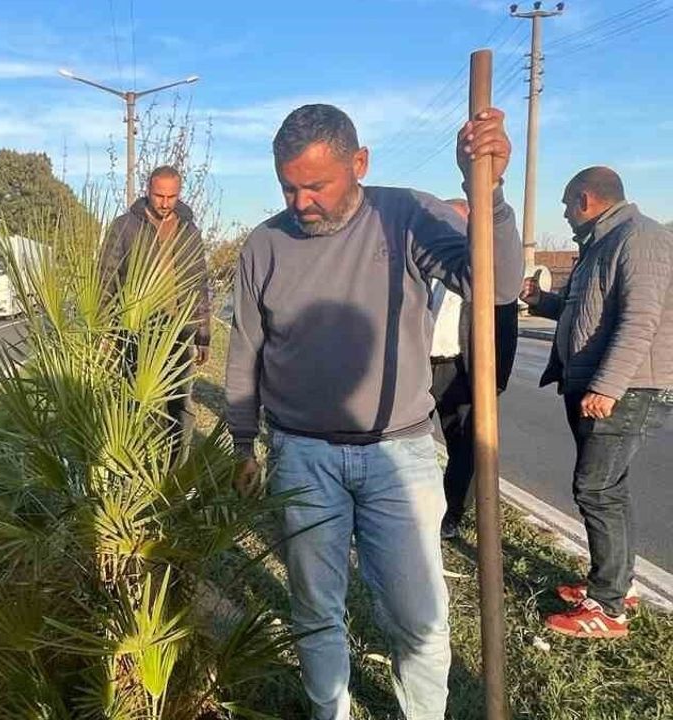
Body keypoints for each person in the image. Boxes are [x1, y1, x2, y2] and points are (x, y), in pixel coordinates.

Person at [226, 104, 521, 719]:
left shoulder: (404, 215)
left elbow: (493, 286)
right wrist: (243, 442)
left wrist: (485, 190)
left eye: (315, 185)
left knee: (420, 617)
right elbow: (246, 346)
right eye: (288, 186)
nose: (300, 201)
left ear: (358, 163)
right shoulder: (264, 244)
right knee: (315, 610)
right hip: (301, 455)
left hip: (399, 454)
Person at [521, 166, 673, 638]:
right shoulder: (601, 244)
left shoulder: (639, 238)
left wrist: (607, 386)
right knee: (610, 489)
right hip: (598, 385)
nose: (564, 215)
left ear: (585, 198)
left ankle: (607, 609)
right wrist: (541, 299)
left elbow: (640, 319)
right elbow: (582, 308)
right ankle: (615, 584)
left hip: (625, 388)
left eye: (566, 205)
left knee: (596, 489)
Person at [101, 165, 212, 450]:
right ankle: (132, 465)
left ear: (179, 194)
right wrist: (104, 331)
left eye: (171, 196)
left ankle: (174, 472)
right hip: (136, 331)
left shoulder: (189, 231)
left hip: (177, 332)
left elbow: (199, 283)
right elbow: (107, 278)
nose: (164, 203)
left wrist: (203, 334)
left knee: (178, 404)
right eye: (158, 195)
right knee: (133, 403)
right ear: (147, 190)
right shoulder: (125, 226)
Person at [429, 199, 520, 539]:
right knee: (409, 444)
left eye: (455, 222)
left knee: (464, 448)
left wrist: (495, 379)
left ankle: (450, 515)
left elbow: (505, 324)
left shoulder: (488, 268)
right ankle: (413, 510)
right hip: (421, 367)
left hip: (463, 371)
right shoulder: (428, 263)